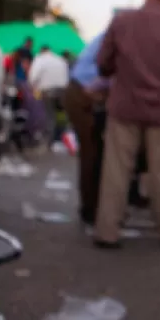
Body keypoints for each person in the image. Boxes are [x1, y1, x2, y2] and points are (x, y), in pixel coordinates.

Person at [93, 0, 160, 248]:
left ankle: (108, 231)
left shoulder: (122, 21)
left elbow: (103, 63)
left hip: (124, 106)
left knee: (117, 170)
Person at [63, 32, 110, 227]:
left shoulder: (110, 36)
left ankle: (94, 204)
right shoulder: (114, 39)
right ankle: (89, 208)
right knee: (90, 151)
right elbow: (109, 72)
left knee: (96, 149)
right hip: (81, 92)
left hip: (85, 92)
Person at [29, 45, 70, 145]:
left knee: (49, 115)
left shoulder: (40, 59)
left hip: (47, 90)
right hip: (62, 90)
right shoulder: (60, 59)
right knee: (61, 114)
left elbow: (33, 77)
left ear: (41, 51)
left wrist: (32, 86)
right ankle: (62, 138)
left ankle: (50, 140)